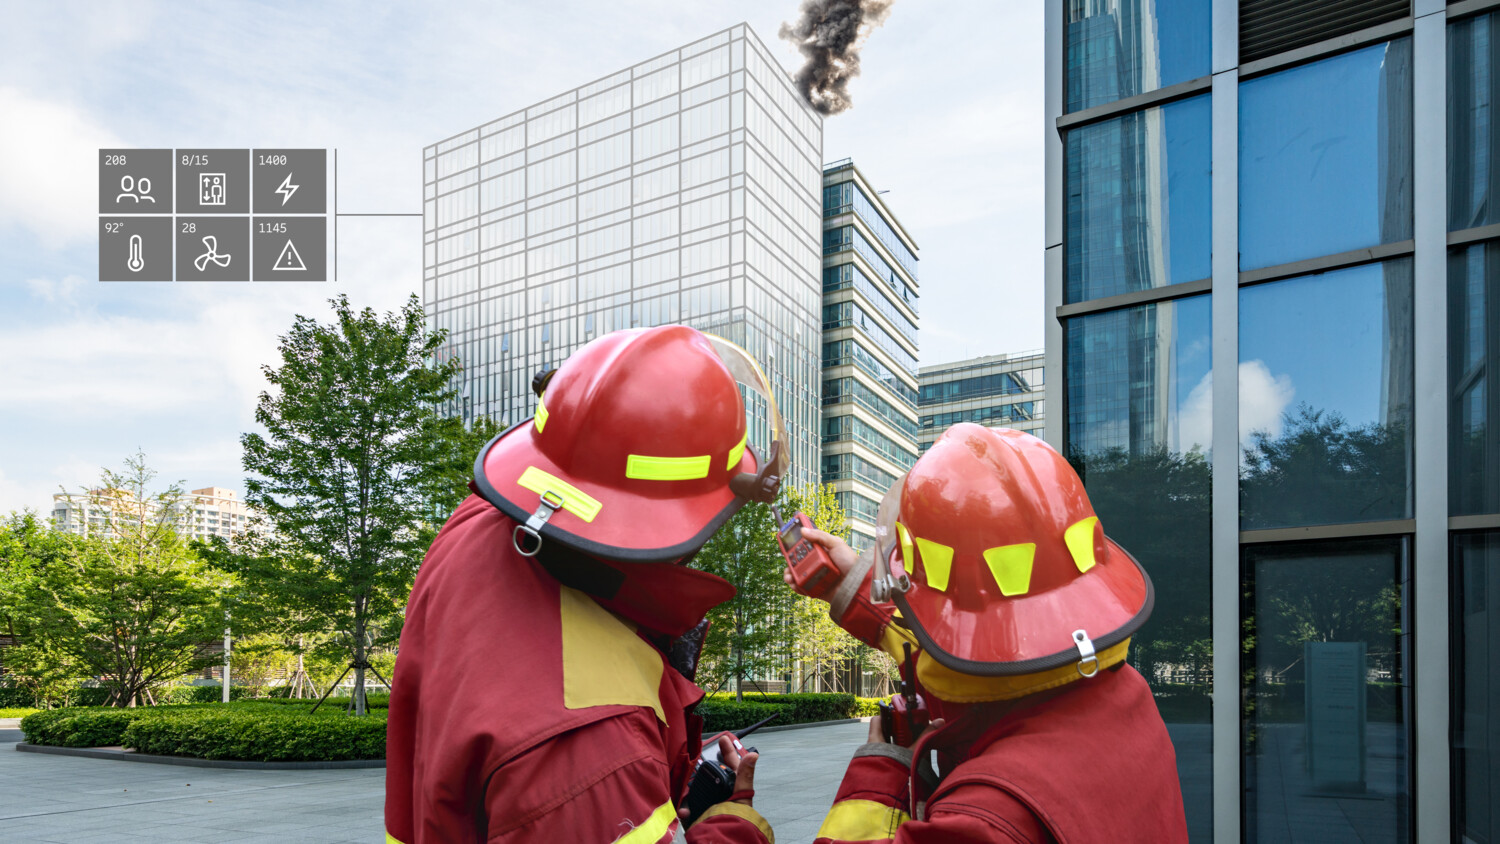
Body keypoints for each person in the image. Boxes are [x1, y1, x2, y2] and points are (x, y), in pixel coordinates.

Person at [386, 325, 786, 844]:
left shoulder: (479, 521)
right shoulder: (596, 747)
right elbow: (583, 759)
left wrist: (657, 777)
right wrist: (734, 820)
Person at [790, 423, 1188, 844]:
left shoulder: (983, 819)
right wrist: (853, 585)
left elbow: (963, 648)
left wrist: (880, 772)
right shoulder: (1122, 693)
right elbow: (976, 656)